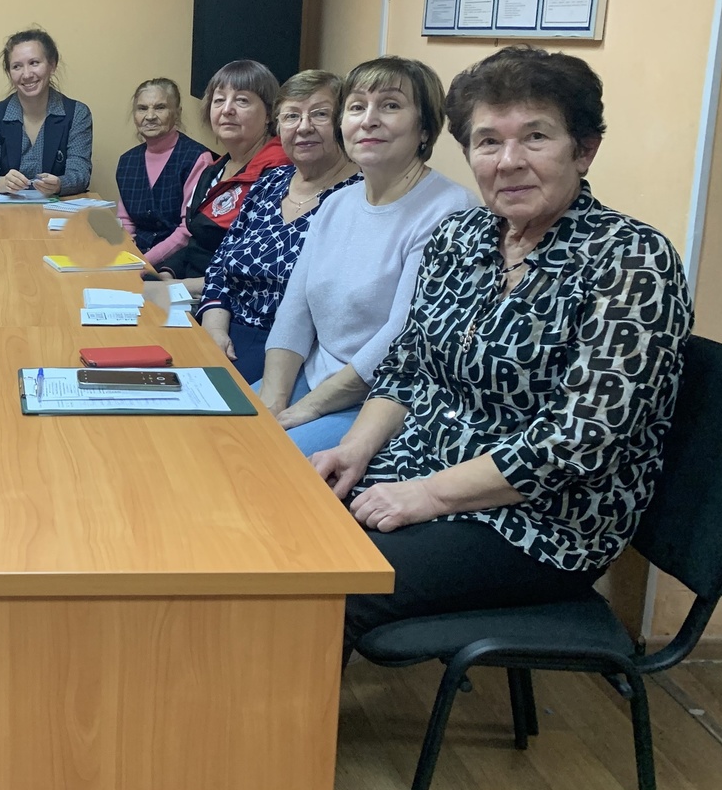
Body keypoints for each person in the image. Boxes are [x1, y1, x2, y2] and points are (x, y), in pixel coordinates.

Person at [300, 47, 695, 657]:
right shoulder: (459, 237)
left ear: (583, 150)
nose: (509, 161)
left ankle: (270, 716)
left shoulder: (632, 261)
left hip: (540, 522)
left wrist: (426, 495)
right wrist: (353, 452)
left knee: (319, 585)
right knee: (276, 529)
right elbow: (407, 366)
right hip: (414, 468)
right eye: (488, 142)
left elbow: (579, 440)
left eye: (535, 137)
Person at [257, 56, 476, 457]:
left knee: (267, 462)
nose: (369, 120)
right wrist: (272, 402)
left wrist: (307, 409)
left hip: (382, 399)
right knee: (220, 434)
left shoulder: (451, 210)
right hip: (314, 378)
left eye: (390, 105)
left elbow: (402, 335)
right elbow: (294, 311)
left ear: (425, 128)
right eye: (357, 107)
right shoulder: (337, 203)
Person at [198, 70, 360, 382]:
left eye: (320, 114)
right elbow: (219, 267)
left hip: (297, 355)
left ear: (342, 123)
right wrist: (214, 331)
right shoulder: (271, 181)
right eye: (291, 116)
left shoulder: (358, 196)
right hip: (223, 330)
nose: (304, 127)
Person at [154, 60, 290, 289]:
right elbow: (198, 240)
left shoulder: (279, 173)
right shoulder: (215, 168)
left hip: (224, 298)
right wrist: (169, 271)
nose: (227, 109)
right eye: (219, 100)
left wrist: (173, 288)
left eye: (242, 100)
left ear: (269, 113)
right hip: (187, 284)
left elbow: (251, 271)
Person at [0, 27, 93, 195]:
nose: (27, 74)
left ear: (52, 65)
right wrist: (1, 183)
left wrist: (60, 184)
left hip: (55, 208)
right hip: (4, 208)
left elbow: (80, 173)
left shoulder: (77, 114)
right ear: (9, 73)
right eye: (17, 66)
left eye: (34, 63)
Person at [114, 77, 210, 264]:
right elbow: (126, 222)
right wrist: (126, 256)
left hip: (178, 263)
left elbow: (187, 230)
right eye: (142, 108)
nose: (150, 116)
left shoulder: (197, 158)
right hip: (135, 258)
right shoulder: (127, 161)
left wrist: (142, 263)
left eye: (160, 107)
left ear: (177, 113)